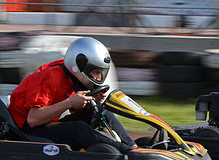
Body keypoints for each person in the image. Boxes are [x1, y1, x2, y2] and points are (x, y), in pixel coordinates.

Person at [8, 37, 137, 153]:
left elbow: (76, 111)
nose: (98, 77)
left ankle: (134, 147)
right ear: (80, 66)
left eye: (101, 72)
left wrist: (92, 101)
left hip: (46, 122)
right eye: (96, 72)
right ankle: (126, 152)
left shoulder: (73, 77)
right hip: (25, 129)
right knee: (79, 129)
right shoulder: (50, 77)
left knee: (103, 112)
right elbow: (33, 119)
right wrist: (70, 102)